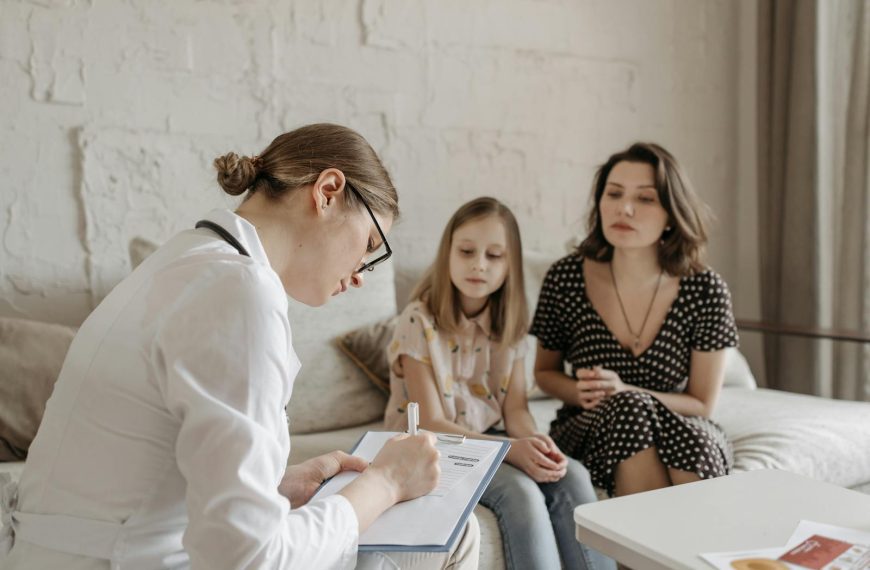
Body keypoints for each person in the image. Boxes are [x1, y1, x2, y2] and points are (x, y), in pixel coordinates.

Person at [0, 124, 479, 569]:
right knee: (455, 534)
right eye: (370, 244)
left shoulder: (187, 260)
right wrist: (386, 483)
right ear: (328, 191)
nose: (358, 275)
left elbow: (145, 470)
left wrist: (276, 486)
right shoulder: (239, 292)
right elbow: (248, 557)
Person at [383, 197, 614, 570]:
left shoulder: (509, 324)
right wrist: (510, 450)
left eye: (494, 255)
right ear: (448, 254)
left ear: (510, 265)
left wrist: (534, 444)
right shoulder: (418, 321)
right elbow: (431, 423)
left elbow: (516, 410)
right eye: (467, 251)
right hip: (432, 450)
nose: (479, 264)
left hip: (489, 440)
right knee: (520, 491)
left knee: (572, 473)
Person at [530, 142, 739, 499]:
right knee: (629, 410)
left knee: (690, 439)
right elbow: (545, 373)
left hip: (681, 424)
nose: (624, 208)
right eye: (614, 194)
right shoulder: (566, 277)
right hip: (591, 427)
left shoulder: (705, 288)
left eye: (645, 199)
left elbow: (702, 404)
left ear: (672, 214)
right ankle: (664, 551)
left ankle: (674, 551)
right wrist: (581, 391)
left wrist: (627, 391)